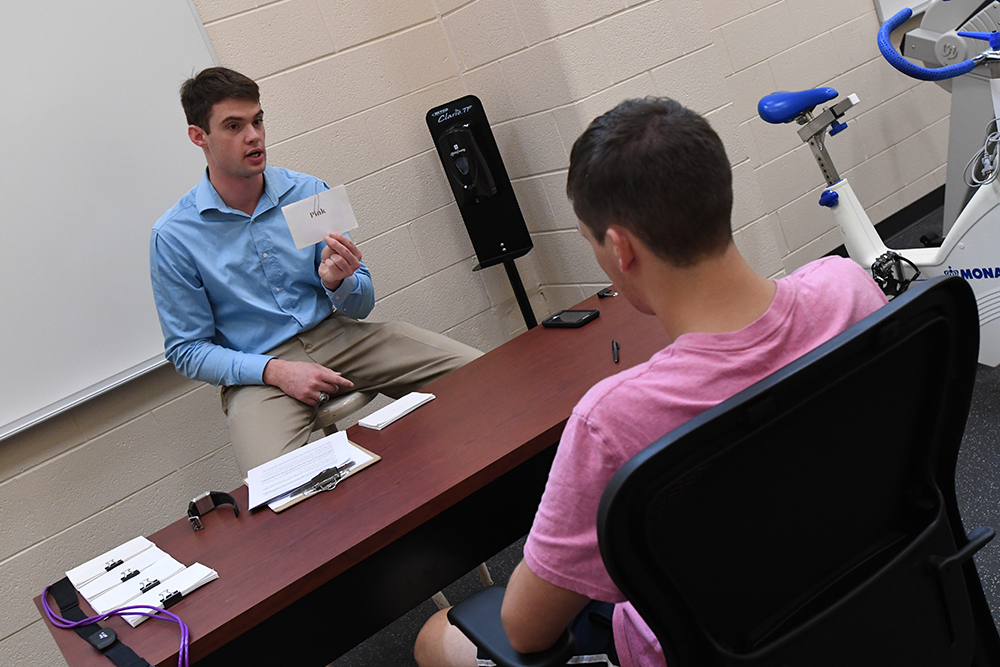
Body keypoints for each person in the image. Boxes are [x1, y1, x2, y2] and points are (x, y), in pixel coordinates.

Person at [413, 97, 888, 667]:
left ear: (620, 248)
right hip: (877, 592)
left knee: (439, 637)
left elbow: (524, 631)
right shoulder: (848, 289)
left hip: (708, 647)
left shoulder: (613, 419)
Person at [150, 67, 481, 476]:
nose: (253, 136)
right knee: (278, 484)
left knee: (484, 376)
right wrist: (275, 371)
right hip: (261, 371)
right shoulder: (176, 235)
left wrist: (338, 282)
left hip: (340, 336)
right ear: (198, 136)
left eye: (257, 120)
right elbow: (186, 351)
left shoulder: (307, 192)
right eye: (233, 126)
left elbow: (362, 302)